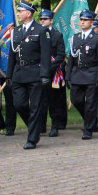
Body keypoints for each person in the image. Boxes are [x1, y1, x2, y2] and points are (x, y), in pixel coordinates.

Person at [6, 0, 51, 150]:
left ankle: (32, 139)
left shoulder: (41, 30)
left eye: (20, 11)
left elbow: (45, 55)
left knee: (36, 107)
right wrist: (9, 75)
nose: (18, 13)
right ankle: (36, 126)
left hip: (35, 72)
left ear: (29, 13)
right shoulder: (16, 31)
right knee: (19, 104)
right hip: (19, 73)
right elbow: (12, 55)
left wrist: (45, 75)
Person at [67, 10, 98, 140]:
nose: (82, 22)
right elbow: (71, 59)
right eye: (81, 20)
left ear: (92, 22)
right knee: (76, 100)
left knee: (91, 103)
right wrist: (68, 76)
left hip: (92, 73)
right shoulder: (75, 38)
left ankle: (88, 129)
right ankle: (92, 119)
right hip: (77, 74)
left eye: (85, 20)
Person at [39, 9, 68, 137]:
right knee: (40, 100)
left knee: (53, 100)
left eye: (45, 19)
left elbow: (61, 55)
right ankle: (41, 125)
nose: (42, 21)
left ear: (51, 20)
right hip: (39, 72)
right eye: (41, 19)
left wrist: (49, 67)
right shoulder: (36, 34)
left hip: (52, 72)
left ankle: (55, 125)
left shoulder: (57, 35)